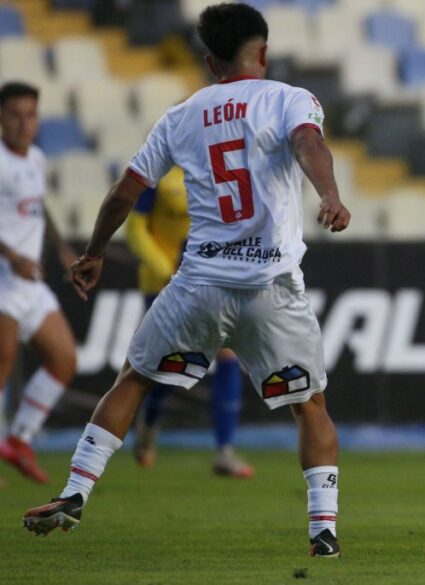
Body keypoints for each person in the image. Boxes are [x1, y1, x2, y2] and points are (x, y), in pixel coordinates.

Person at [22, 3, 350, 559]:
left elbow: (125, 192)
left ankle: (75, 492)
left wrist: (94, 252)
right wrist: (331, 195)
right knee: (310, 405)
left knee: (133, 379)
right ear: (263, 52)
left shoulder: (182, 115)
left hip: (199, 285)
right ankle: (323, 531)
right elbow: (308, 144)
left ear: (210, 61)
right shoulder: (289, 99)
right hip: (271, 286)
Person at [125, 166, 253, 478]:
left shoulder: (219, 170)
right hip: (163, 283)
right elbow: (135, 229)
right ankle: (149, 419)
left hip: (208, 278)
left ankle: (224, 451)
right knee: (172, 364)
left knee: (227, 353)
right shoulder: (160, 171)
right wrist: (164, 269)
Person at [0, 81, 80, 486]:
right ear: (1, 117)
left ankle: (19, 439)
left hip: (30, 283)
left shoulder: (35, 158)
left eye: (30, 115)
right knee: (2, 362)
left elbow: (37, 207)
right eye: (15, 115)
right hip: (3, 277)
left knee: (64, 359)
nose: (23, 123)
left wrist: (62, 248)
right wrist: (12, 256)